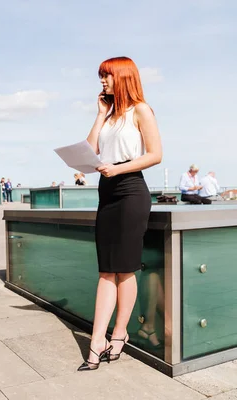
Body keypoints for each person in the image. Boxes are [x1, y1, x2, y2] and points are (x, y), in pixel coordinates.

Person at [78, 56, 162, 371]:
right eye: (101, 76)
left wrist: (117, 168)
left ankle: (120, 333)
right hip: (107, 192)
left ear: (123, 76)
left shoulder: (141, 110)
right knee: (105, 270)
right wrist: (100, 115)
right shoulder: (111, 115)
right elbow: (89, 151)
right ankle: (98, 339)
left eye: (107, 76)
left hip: (130, 192)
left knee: (124, 269)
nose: (102, 81)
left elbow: (155, 154)